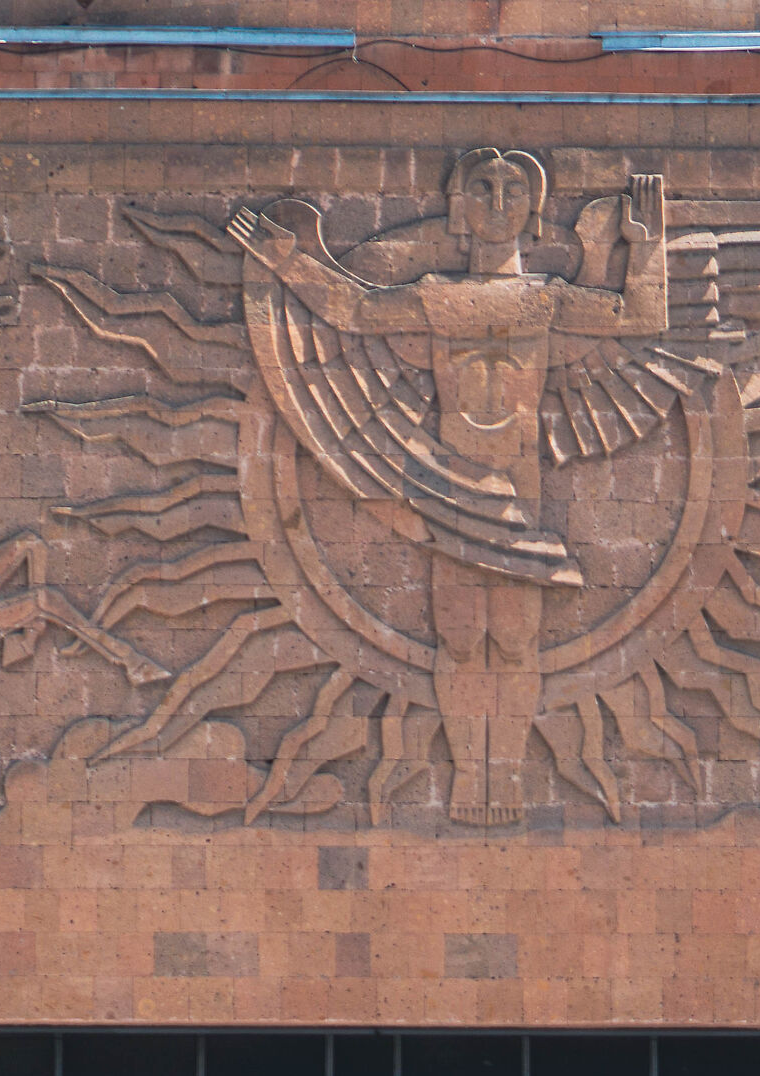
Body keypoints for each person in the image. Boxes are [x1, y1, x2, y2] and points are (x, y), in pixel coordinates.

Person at [228, 151, 669, 825]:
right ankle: (469, 778)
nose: (497, 200)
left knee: (516, 640)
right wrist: (288, 260)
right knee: (462, 640)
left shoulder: (544, 298)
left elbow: (642, 316)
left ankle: (508, 779)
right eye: (482, 188)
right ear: (459, 208)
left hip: (518, 488)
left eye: (514, 189)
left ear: (533, 210)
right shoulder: (437, 295)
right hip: (450, 484)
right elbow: (352, 307)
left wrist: (648, 243)